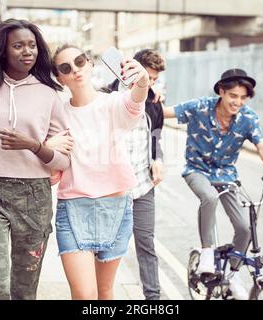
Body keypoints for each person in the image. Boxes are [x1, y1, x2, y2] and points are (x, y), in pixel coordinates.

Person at [0, 19, 73, 300]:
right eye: (18, 46)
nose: (27, 51)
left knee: (23, 290)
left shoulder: (49, 94)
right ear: (2, 51)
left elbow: (63, 161)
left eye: (32, 45)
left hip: (33, 196)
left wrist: (33, 145)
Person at [163, 68, 263, 300]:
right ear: (221, 91)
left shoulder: (248, 118)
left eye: (243, 97)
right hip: (197, 170)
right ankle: (207, 253)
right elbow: (163, 113)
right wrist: (146, 96)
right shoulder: (199, 107)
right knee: (209, 197)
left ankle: (231, 275)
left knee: (245, 228)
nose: (237, 102)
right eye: (233, 95)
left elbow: (262, 146)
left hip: (226, 176)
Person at [47, 44, 149, 300]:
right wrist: (46, 149)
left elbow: (135, 103)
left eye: (80, 61)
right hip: (73, 208)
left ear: (90, 64)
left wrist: (143, 80)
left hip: (115, 206)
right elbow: (51, 173)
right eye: (65, 68)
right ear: (59, 77)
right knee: (84, 295)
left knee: (104, 291)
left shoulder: (112, 103)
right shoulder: (57, 114)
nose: (75, 70)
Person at [103, 49, 165, 300]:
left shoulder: (152, 102)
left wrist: (158, 159)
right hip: (110, 188)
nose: (149, 84)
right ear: (130, 68)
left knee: (146, 245)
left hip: (142, 186)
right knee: (106, 248)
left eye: (154, 80)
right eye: (147, 77)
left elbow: (156, 136)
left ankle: (154, 299)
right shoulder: (105, 97)